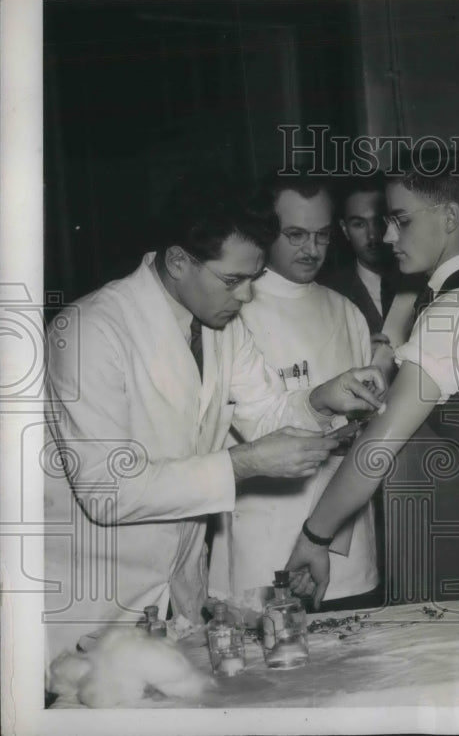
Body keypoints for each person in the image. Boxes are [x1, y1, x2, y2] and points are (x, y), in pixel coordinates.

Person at [43, 174, 384, 661]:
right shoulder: (88, 333)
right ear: (179, 260)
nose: (246, 297)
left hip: (173, 597)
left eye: (254, 277)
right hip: (94, 597)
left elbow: (266, 411)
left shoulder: (218, 324)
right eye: (233, 280)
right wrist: (241, 464)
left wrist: (321, 400)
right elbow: (106, 491)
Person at [285, 155, 459, 629]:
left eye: (400, 220)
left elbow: (379, 450)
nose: (388, 236)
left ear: (450, 218)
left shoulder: (452, 312)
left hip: (453, 528)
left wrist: (315, 535)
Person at [208, 174, 381, 612]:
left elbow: (366, 434)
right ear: (267, 231)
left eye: (323, 235)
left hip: (344, 538)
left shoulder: (346, 311)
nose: (312, 249)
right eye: (296, 235)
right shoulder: (234, 307)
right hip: (262, 538)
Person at [317, 173, 398, 335]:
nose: (373, 235)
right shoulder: (326, 291)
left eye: (380, 221)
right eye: (359, 224)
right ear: (345, 229)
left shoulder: (421, 281)